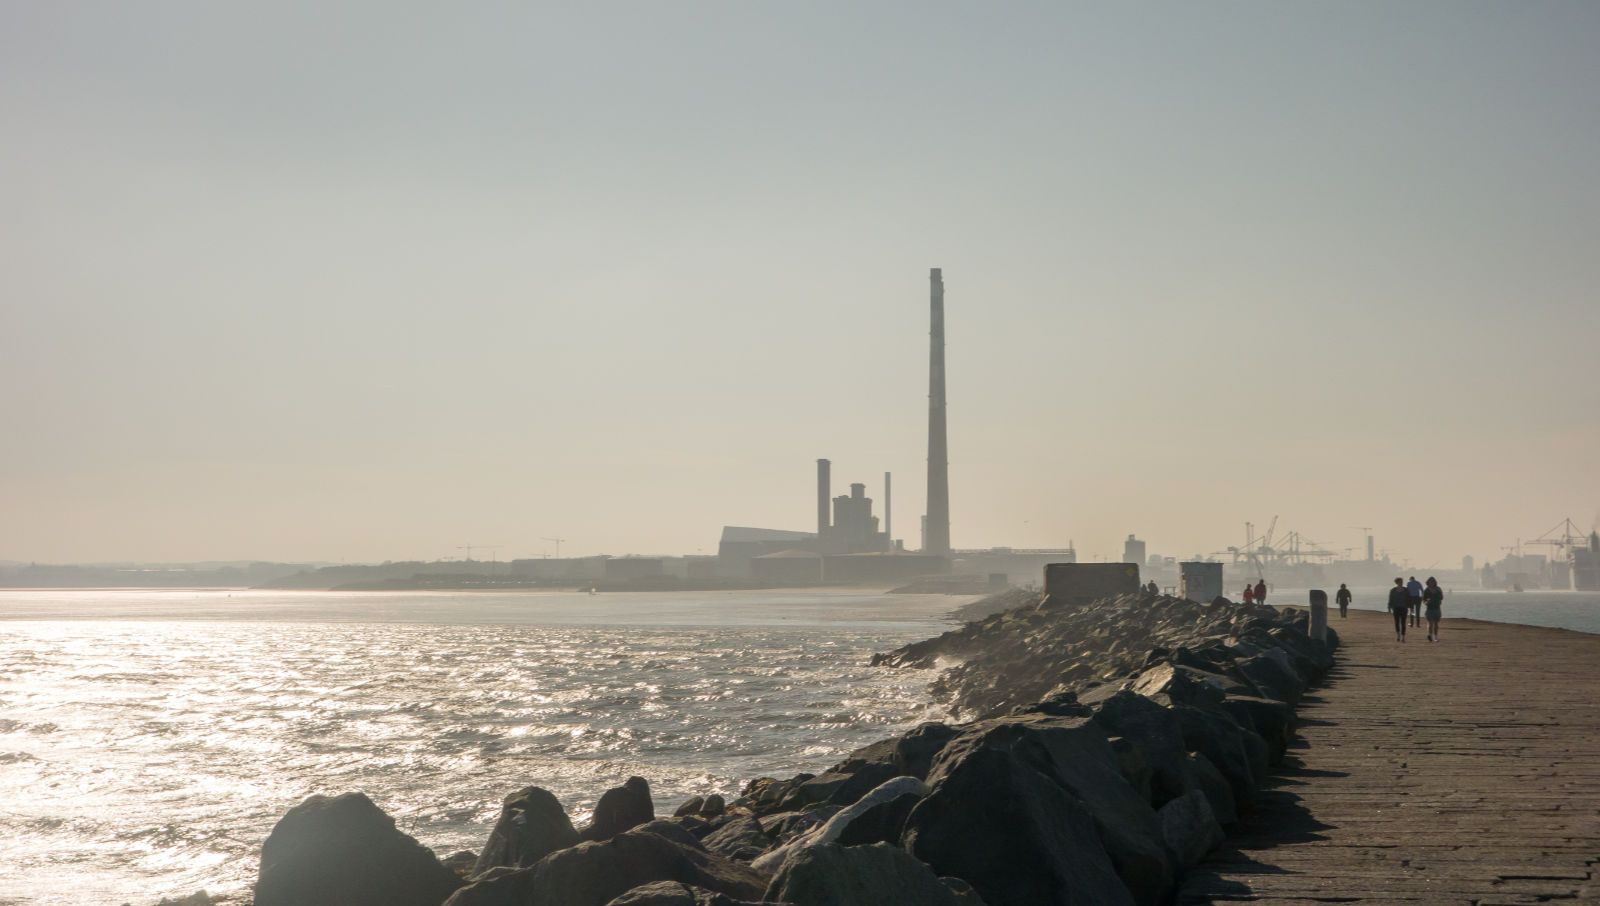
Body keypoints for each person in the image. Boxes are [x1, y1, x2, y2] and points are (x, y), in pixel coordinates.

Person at [1423, 577, 1444, 641]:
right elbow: (1423, 600)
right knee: (1430, 623)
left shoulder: (1438, 589)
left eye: (1433, 582)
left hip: (1437, 608)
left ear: (1435, 582)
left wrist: (1439, 601)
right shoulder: (1426, 590)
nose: (1431, 583)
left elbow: (1441, 597)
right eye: (1430, 582)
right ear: (1428, 583)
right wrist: (1426, 602)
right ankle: (1430, 635)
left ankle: (1435, 637)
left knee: (1436, 624)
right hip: (1429, 609)